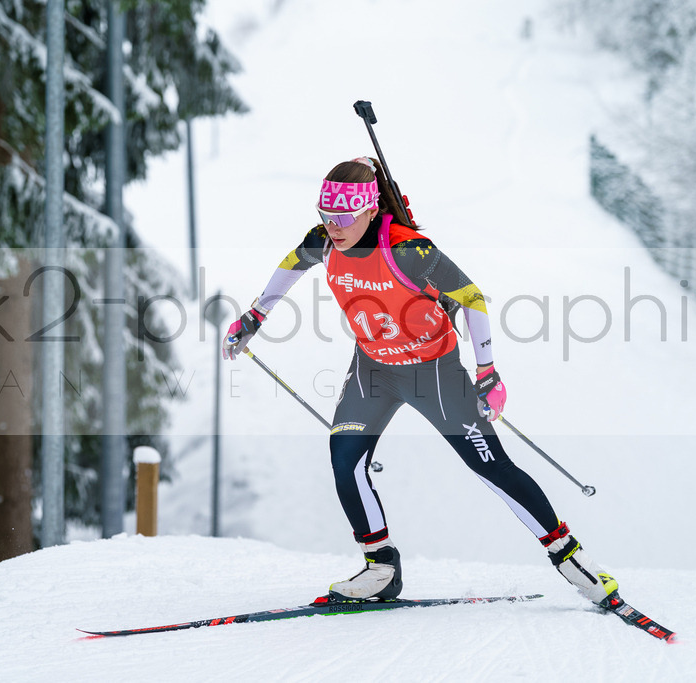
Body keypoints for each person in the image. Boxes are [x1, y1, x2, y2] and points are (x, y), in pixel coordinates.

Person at [222, 156, 619, 606]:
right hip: (373, 369)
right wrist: (255, 315)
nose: (334, 226)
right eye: (326, 215)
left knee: (489, 467)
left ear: (370, 209)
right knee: (345, 457)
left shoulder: (409, 250)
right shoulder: (325, 241)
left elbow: (471, 298)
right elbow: (291, 265)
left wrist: (488, 371)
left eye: (344, 216)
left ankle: (570, 559)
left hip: (434, 372)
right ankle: (381, 569)